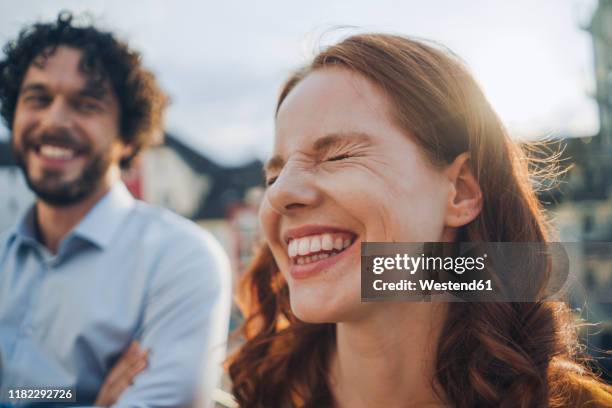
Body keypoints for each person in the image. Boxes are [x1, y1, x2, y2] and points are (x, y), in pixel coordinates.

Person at [228, 33, 612, 407]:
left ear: (460, 191)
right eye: (273, 175)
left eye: (338, 156)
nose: (278, 194)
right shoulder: (257, 396)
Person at [0, 12, 231, 407]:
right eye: (37, 98)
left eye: (86, 104)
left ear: (126, 138)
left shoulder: (179, 258)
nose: (54, 120)